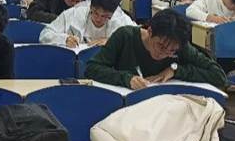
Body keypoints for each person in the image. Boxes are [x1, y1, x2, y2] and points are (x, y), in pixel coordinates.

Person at [85, 9, 227, 90]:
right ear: (150, 31)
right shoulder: (125, 36)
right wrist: (127, 79)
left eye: (172, 51)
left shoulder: (179, 45)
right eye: (161, 46)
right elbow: (92, 68)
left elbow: (219, 76)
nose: (164, 53)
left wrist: (175, 70)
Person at [40, 0, 135, 47]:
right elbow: (45, 34)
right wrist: (64, 39)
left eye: (105, 16)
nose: (98, 19)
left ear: (112, 13)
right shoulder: (74, 13)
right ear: (90, 6)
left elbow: (138, 39)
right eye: (95, 13)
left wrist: (113, 41)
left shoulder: (121, 19)